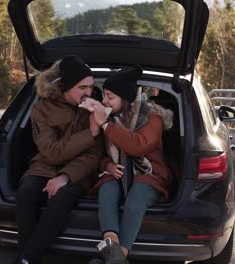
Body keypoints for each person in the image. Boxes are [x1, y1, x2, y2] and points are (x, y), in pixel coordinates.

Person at [15, 55, 105, 264]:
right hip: (45, 165)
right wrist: (90, 132)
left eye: (91, 87)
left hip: (79, 173)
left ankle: (27, 258)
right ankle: (28, 257)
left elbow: (95, 155)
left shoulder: (96, 109)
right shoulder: (41, 108)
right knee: (25, 194)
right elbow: (51, 151)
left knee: (61, 198)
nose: (88, 93)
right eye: (82, 87)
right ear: (66, 86)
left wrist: (65, 176)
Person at [86, 65, 174, 264]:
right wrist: (107, 165)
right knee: (106, 189)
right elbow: (97, 153)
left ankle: (117, 258)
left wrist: (107, 125)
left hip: (149, 172)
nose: (104, 101)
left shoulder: (153, 117)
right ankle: (113, 255)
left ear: (124, 98)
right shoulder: (107, 116)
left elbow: (138, 146)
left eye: (110, 97)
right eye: (104, 96)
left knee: (137, 195)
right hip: (118, 171)